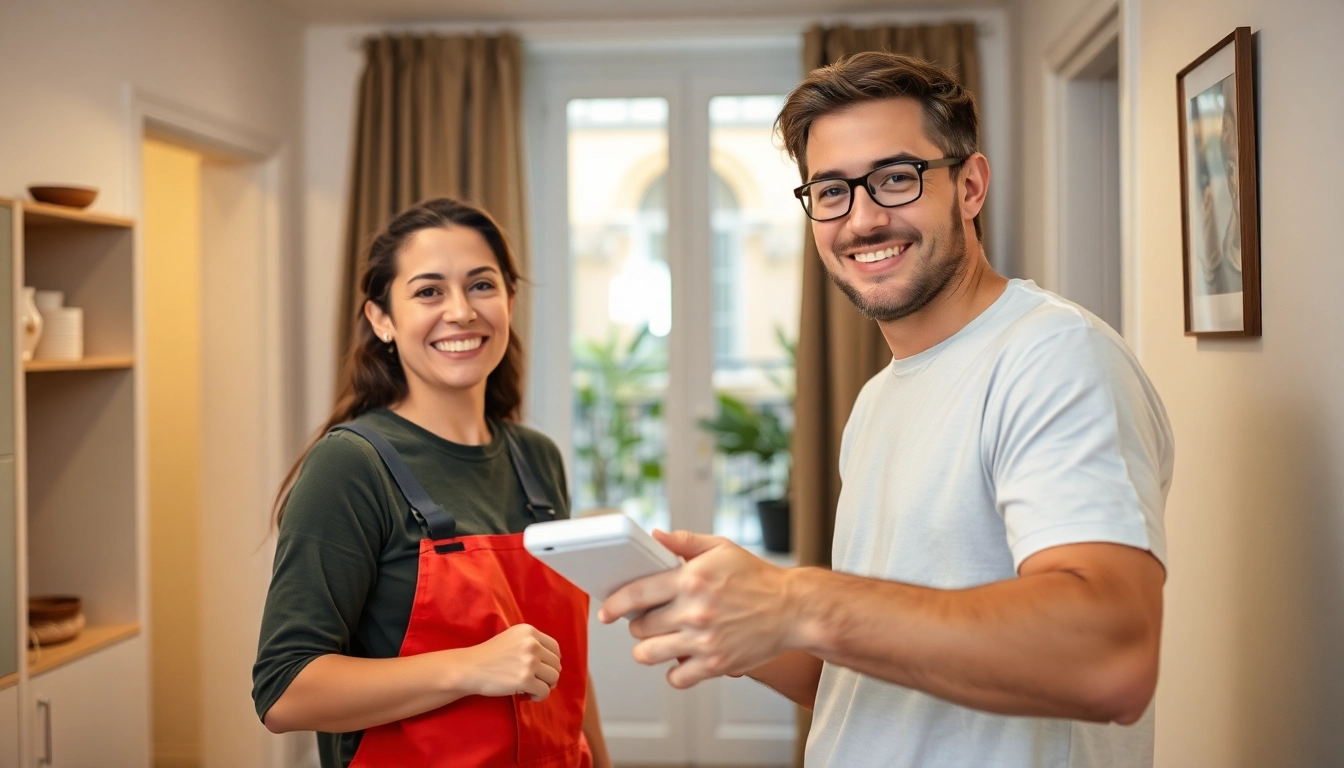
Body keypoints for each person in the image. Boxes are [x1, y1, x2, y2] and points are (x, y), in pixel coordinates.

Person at [600, 51, 1173, 768]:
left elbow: (1110, 659)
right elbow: (857, 679)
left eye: (896, 179)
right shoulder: (878, 399)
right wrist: (739, 621)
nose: (863, 219)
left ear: (969, 186)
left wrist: (798, 599)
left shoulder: (1054, 356)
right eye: (831, 191)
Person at [253, 198, 612, 768]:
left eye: (481, 285)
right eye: (428, 292)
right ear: (381, 319)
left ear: (510, 301)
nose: (461, 311)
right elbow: (284, 690)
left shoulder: (538, 460)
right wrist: (469, 667)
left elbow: (561, 663)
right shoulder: (350, 467)